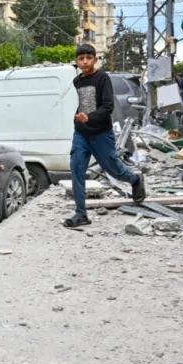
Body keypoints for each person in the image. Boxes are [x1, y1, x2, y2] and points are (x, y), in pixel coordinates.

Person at [65, 44, 145, 229]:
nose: (84, 61)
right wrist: (78, 118)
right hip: (81, 133)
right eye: (81, 58)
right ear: (77, 61)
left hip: (101, 133)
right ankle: (81, 213)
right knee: (76, 167)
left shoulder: (102, 78)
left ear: (95, 59)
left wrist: (89, 117)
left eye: (88, 57)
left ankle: (135, 180)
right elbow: (81, 104)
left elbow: (107, 106)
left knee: (113, 169)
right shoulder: (77, 82)